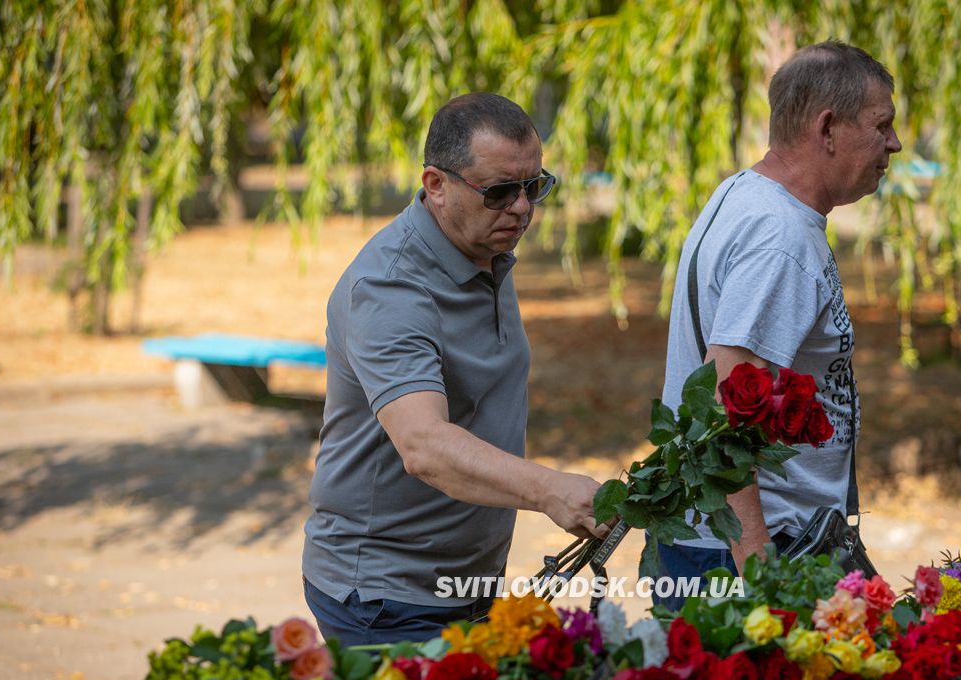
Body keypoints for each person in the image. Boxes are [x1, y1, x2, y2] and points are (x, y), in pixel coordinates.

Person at [302, 93, 606, 645]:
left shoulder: (482, 246)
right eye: (498, 192)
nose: (520, 208)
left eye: (533, 186)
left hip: (466, 584)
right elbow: (425, 446)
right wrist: (549, 490)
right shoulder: (391, 287)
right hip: (386, 597)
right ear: (436, 186)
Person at [654, 41, 902, 609]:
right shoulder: (780, 240)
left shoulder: (746, 194)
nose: (894, 143)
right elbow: (726, 399)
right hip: (751, 551)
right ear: (828, 128)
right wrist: (758, 566)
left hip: (729, 541)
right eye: (881, 124)